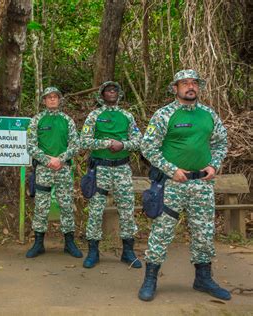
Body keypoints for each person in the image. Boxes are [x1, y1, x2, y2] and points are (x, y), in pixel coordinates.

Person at [138, 69, 230, 301]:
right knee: (162, 232)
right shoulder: (164, 115)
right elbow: (147, 146)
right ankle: (150, 279)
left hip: (202, 184)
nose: (190, 86)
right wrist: (171, 170)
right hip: (171, 185)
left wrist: (214, 165)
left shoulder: (209, 114)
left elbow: (221, 142)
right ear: (175, 88)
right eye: (185, 83)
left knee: (203, 232)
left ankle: (203, 279)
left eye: (194, 83)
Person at [80, 81, 142, 269]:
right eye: (108, 90)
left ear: (119, 94)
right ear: (102, 95)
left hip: (122, 168)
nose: (112, 92)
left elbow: (139, 141)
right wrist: (107, 143)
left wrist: (123, 145)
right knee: (96, 210)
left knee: (127, 209)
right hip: (100, 169)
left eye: (115, 89)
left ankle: (128, 251)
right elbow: (84, 141)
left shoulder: (127, 116)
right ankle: (93, 251)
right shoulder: (95, 115)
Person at [25, 87, 82, 258]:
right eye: (48, 97)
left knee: (66, 204)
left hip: (63, 169)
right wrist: (47, 160)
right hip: (43, 169)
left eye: (55, 97)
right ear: (44, 101)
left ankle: (69, 242)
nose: (51, 100)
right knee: (41, 206)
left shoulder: (67, 121)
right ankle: (38, 243)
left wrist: (61, 159)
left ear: (59, 100)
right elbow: (30, 146)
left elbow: (75, 145)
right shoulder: (36, 120)